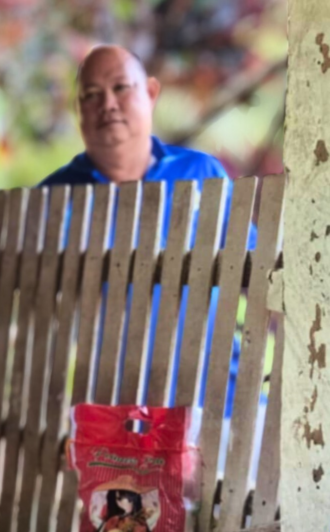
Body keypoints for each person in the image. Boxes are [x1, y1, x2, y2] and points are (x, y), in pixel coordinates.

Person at [41, 44, 250, 422]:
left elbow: (259, 272)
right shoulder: (56, 197)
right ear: (78, 109)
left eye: (121, 87)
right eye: (91, 95)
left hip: (221, 406)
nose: (107, 104)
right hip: (116, 416)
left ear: (151, 93)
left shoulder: (202, 175)